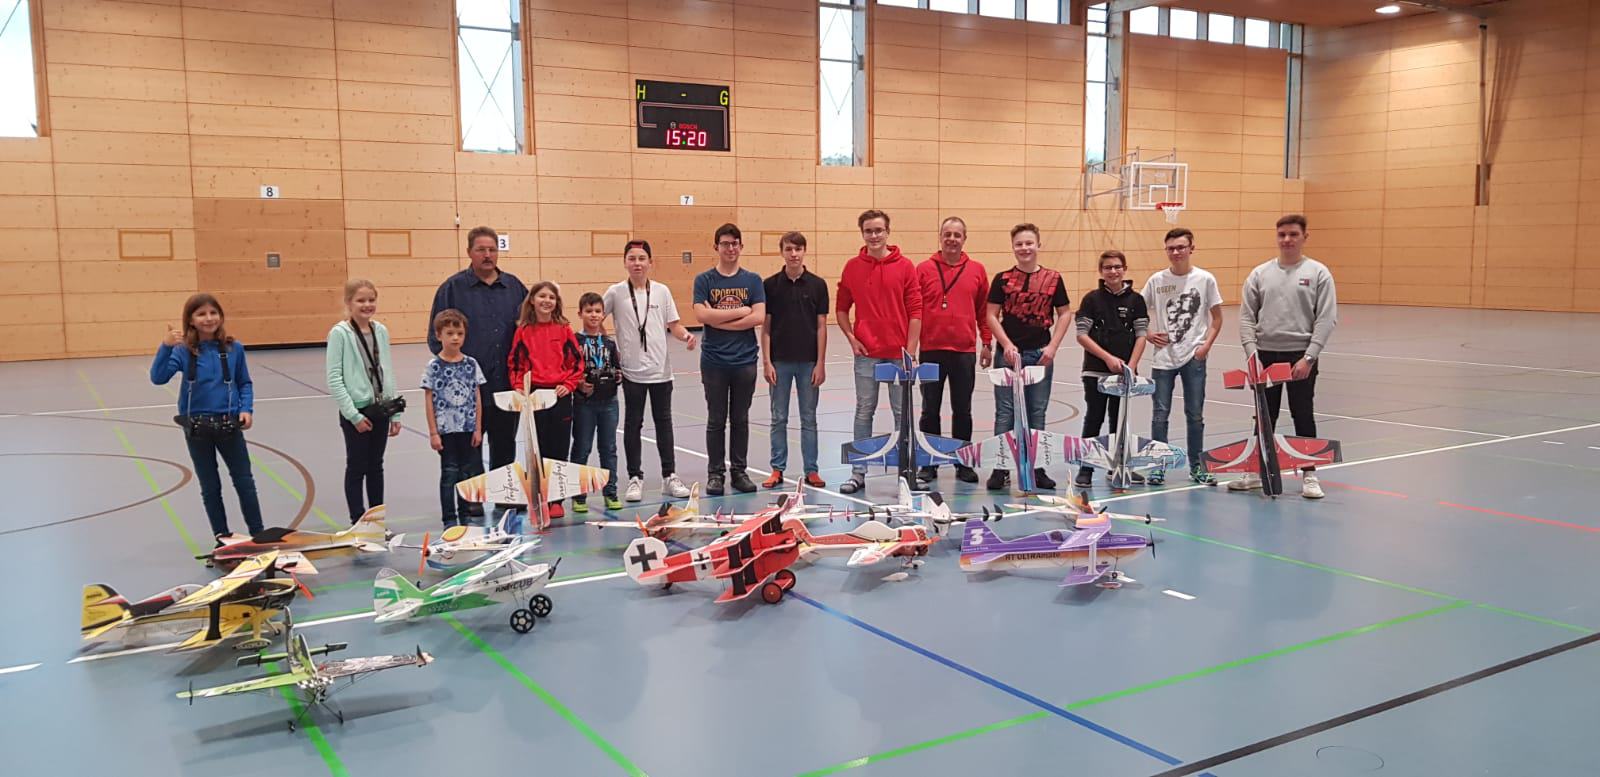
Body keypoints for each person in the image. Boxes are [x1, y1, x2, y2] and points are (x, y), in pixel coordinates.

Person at [1235, 214, 1339, 499]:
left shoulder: (1318, 273)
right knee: (1264, 417)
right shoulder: (1260, 274)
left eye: (1293, 234)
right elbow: (1246, 318)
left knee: (1302, 414)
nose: (1287, 239)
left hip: (1299, 357)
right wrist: (1253, 355)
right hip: (1265, 356)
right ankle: (1256, 471)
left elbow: (1326, 318)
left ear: (1305, 237)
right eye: (1282, 234)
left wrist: (1309, 357)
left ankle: (1310, 474)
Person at [428, 226, 527, 517]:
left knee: (504, 444)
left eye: (492, 249)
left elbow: (530, 330)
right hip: (467, 392)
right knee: (471, 445)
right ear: (469, 252)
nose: (487, 255)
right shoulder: (452, 289)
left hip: (506, 383)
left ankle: (504, 494)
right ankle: (472, 498)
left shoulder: (515, 287)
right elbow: (435, 338)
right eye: (481, 250)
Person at [151, 293, 264, 540]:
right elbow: (158, 378)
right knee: (210, 486)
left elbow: (244, 382)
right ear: (190, 320)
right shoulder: (183, 351)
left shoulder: (234, 348)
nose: (208, 318)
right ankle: (222, 536)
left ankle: (258, 532)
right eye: (201, 314)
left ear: (221, 317)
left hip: (229, 425)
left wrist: (246, 408)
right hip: (197, 429)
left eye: (213, 313)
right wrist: (165, 347)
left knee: (244, 481)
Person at [836, 209, 922, 494]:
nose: (874, 235)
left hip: (899, 355)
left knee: (902, 415)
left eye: (878, 230)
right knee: (864, 411)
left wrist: (910, 352)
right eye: (868, 231)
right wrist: (852, 339)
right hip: (867, 355)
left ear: (888, 232)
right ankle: (858, 472)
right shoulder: (852, 267)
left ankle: (906, 472)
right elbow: (841, 309)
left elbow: (916, 311)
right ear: (862, 234)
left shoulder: (906, 267)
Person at [603, 240, 697, 502]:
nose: (637, 263)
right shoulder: (615, 292)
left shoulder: (662, 291)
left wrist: (686, 336)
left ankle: (669, 476)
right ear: (625, 262)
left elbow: (674, 325)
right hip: (631, 373)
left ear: (650, 263)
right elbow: (596, 317)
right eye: (632, 258)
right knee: (633, 424)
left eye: (642, 258)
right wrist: (606, 345)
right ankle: (635, 477)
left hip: (660, 372)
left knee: (664, 423)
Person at [985, 223, 1072, 491]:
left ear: (1038, 245)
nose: (1024, 248)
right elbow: (991, 315)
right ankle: (1000, 468)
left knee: (1036, 411)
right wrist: (1006, 345)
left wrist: (1053, 347)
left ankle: (1037, 467)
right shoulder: (1002, 279)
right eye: (1019, 244)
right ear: (1013, 247)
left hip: (1040, 355)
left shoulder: (1053, 278)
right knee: (1005, 412)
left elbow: (1065, 313)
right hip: (1008, 356)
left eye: (1029, 243)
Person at [1142, 227, 1223, 486]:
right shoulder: (1156, 280)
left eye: (1181, 247)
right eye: (1171, 248)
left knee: (1195, 414)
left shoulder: (1205, 279)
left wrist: (1205, 347)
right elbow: (1137, 313)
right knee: (1159, 415)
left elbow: (1217, 318)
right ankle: (1158, 466)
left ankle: (1197, 467)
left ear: (1191, 248)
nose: (1176, 252)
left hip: (1193, 358)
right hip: (1163, 359)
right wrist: (1148, 334)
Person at [915, 216, 991, 485]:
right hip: (931, 350)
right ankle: (929, 462)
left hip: (963, 352)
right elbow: (913, 311)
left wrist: (987, 342)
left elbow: (984, 311)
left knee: (963, 410)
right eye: (947, 234)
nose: (952, 239)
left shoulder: (977, 270)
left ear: (964, 239)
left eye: (957, 235)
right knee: (929, 410)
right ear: (940, 237)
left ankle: (963, 462)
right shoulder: (923, 270)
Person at [692, 224, 766, 496]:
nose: (730, 248)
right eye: (725, 243)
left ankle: (739, 472)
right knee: (716, 419)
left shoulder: (753, 280)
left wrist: (718, 319)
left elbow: (758, 317)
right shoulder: (704, 280)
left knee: (740, 418)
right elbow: (701, 316)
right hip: (714, 361)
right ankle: (715, 474)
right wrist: (741, 311)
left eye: (735, 243)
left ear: (741, 247)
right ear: (716, 247)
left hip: (744, 361)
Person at [325, 279, 403, 523]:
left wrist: (395, 412)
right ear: (349, 303)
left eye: (371, 300)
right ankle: (358, 521)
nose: (367, 305)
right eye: (361, 300)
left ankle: (376, 521)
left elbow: (387, 371)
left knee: (376, 466)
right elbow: (334, 378)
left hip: (381, 410)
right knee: (357, 467)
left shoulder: (381, 331)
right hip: (356, 412)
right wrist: (354, 416)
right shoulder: (340, 334)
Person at [1073, 251, 1150, 489]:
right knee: (1094, 418)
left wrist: (1131, 367)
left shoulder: (1136, 300)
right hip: (1095, 373)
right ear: (1101, 271)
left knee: (1119, 421)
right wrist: (1107, 358)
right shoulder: (1091, 300)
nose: (1113, 271)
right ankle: (1085, 469)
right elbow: (1082, 335)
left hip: (1123, 376)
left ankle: (1118, 466)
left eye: (1117, 267)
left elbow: (1141, 335)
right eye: (1108, 267)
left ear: (1124, 269)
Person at [507, 281, 584, 518]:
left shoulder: (564, 329)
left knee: (559, 448)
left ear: (556, 302)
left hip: (559, 397)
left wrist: (568, 385)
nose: (546, 301)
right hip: (535, 397)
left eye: (551, 297)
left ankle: (556, 500)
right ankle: (540, 498)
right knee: (537, 448)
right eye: (542, 296)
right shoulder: (523, 331)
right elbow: (516, 364)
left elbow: (577, 363)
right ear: (532, 300)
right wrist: (519, 387)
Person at [759, 231, 829, 489]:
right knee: (778, 417)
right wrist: (767, 362)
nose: (794, 254)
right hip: (780, 363)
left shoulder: (818, 285)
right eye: (789, 249)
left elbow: (821, 326)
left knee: (809, 418)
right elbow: (766, 327)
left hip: (809, 363)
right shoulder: (770, 285)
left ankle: (812, 470)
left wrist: (820, 363)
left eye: (798, 249)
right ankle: (777, 469)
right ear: (782, 252)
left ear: (804, 251)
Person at [420, 309, 485, 527]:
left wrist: (477, 428)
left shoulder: (471, 364)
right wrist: (433, 432)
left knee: (467, 473)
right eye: (450, 333)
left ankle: (465, 515)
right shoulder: (434, 367)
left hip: (467, 428)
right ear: (439, 335)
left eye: (459, 333)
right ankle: (449, 518)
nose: (455, 338)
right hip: (446, 430)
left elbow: (477, 397)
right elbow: (429, 400)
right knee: (449, 474)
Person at [569, 292, 622, 513]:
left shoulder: (609, 343)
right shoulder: (574, 341)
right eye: (589, 311)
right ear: (580, 313)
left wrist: (617, 376)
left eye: (598, 311)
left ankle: (610, 492)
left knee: (608, 448)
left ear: (603, 314)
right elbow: (569, 370)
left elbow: (617, 367)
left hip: (609, 402)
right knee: (582, 448)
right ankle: (578, 495)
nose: (593, 315)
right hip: (585, 403)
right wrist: (579, 384)